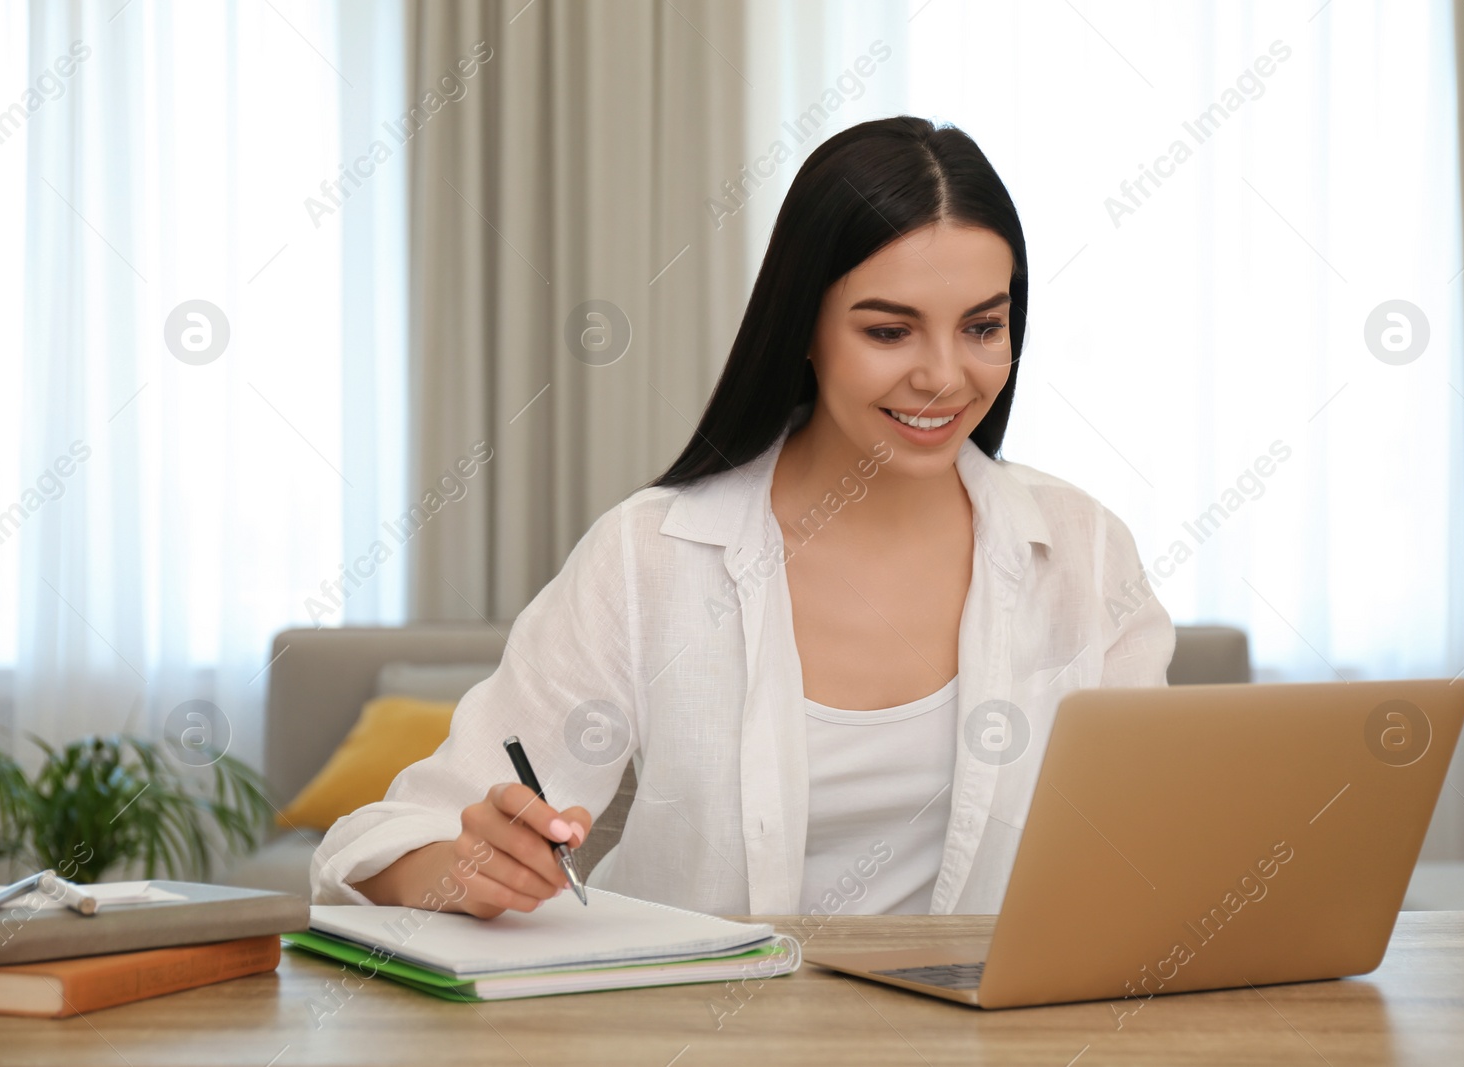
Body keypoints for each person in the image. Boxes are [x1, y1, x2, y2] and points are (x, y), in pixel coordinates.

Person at [311, 116, 1173, 919]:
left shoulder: (1086, 553)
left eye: (982, 326)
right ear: (805, 327)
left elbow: (1148, 849)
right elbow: (387, 840)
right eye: (889, 332)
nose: (946, 377)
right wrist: (470, 866)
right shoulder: (649, 556)